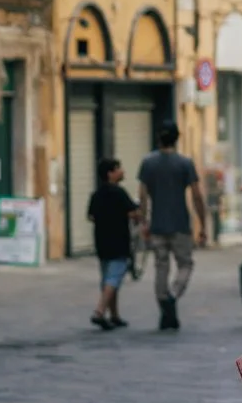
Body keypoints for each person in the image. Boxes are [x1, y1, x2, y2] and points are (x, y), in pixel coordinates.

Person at [137, 125, 209, 332]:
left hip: (157, 224)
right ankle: (173, 295)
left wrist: (143, 220)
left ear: (158, 139)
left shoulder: (148, 163)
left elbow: (142, 195)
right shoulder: (185, 163)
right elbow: (196, 195)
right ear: (177, 139)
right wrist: (203, 224)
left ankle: (164, 305)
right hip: (180, 224)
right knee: (185, 264)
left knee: (161, 266)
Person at [87, 157, 141, 331]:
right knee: (113, 278)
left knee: (107, 278)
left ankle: (115, 315)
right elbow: (133, 214)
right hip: (119, 241)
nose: (122, 171)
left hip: (101, 241)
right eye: (119, 168)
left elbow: (91, 216)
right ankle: (99, 311)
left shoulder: (96, 194)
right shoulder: (119, 192)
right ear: (111, 173)